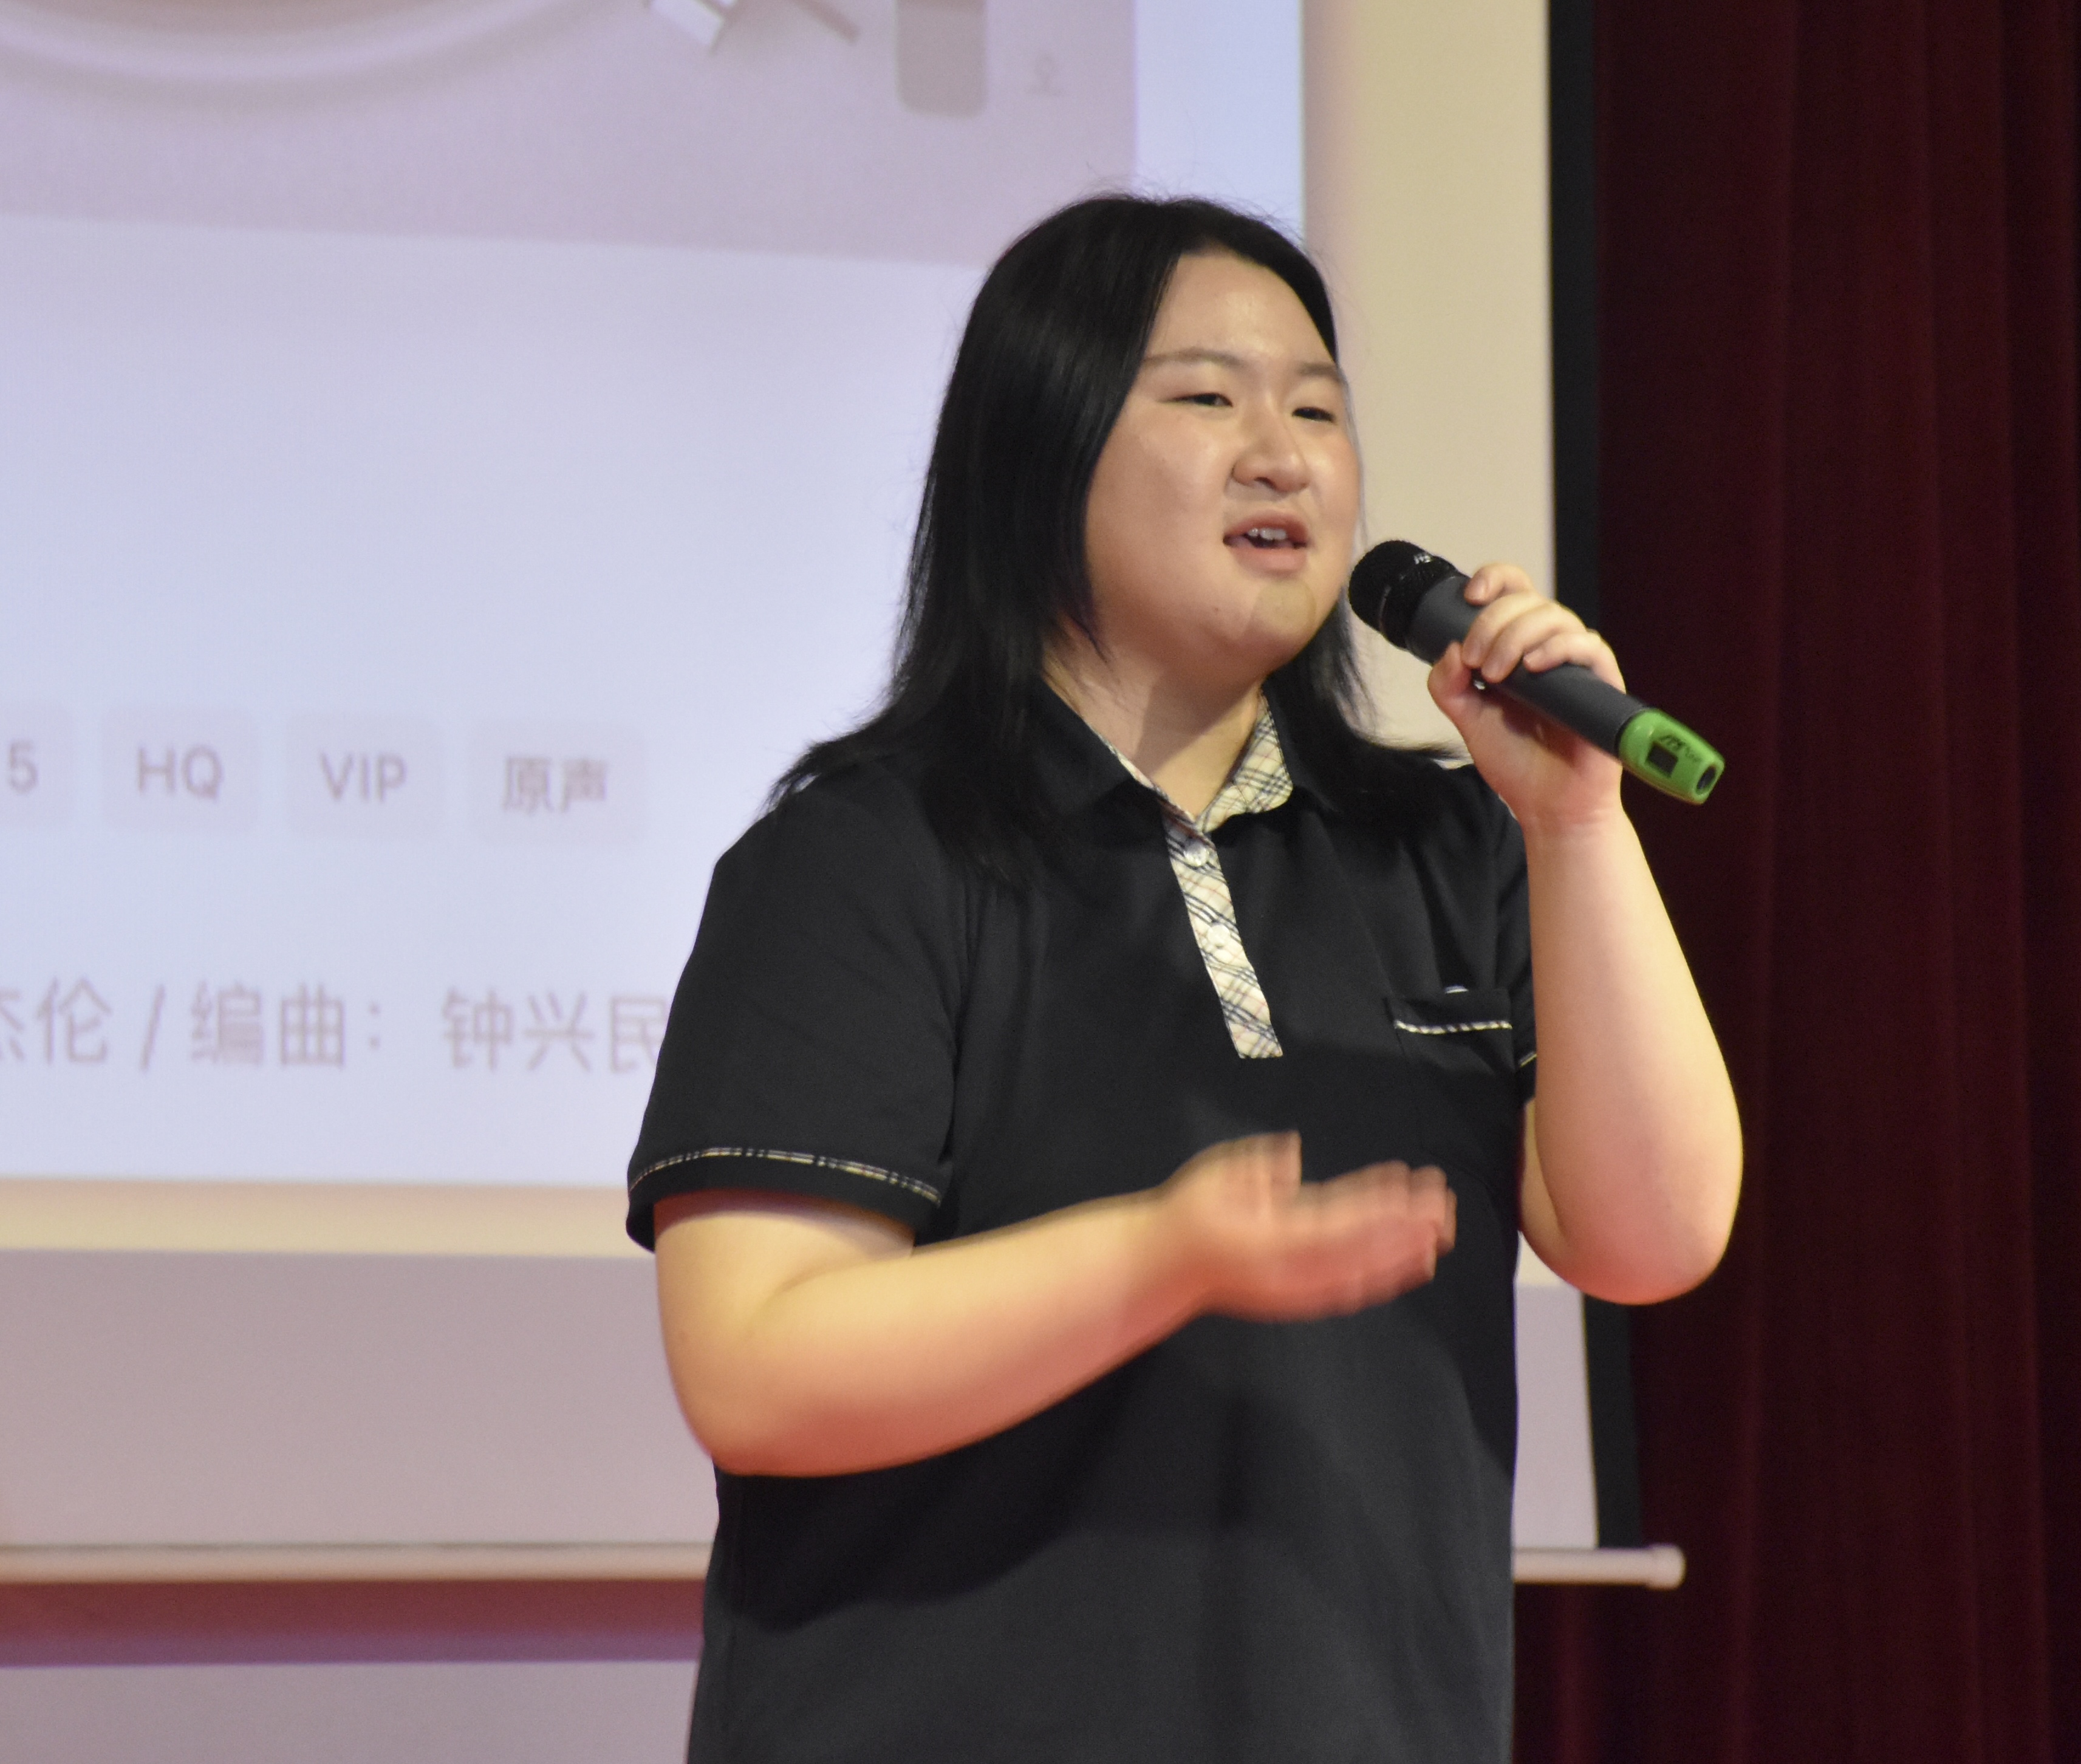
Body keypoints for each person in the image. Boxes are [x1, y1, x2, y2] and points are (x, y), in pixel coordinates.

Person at [625, 194, 1741, 1764]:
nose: (1283, 455)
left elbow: (1654, 1235)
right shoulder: (867, 858)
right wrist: (1161, 1259)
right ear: (1042, 449)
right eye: (1210, 398)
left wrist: (1574, 826)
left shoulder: (1451, 847)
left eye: (1319, 410)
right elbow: (755, 1370)